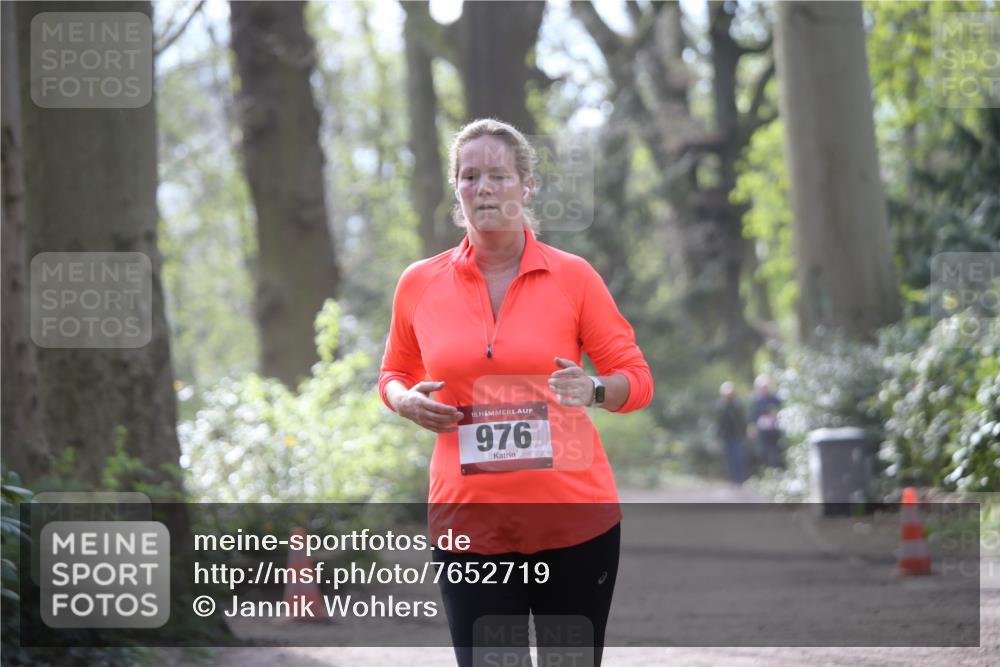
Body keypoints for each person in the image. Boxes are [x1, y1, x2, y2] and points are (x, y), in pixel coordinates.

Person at [378, 118, 654, 667]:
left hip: (573, 523)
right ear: (456, 189)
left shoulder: (574, 278)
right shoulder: (419, 284)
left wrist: (593, 389)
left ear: (526, 186)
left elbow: (637, 380)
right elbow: (391, 374)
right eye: (470, 176)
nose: (484, 188)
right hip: (468, 527)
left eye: (499, 176)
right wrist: (404, 401)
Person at [715, 381, 747, 484]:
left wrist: (744, 433)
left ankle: (740, 479)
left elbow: (742, 421)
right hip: (726, 436)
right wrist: (717, 435)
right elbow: (719, 422)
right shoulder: (721, 406)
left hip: (736, 435)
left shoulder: (737, 405)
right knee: (729, 458)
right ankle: (732, 479)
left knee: (737, 457)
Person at [748, 374, 783, 469]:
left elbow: (780, 411)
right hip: (762, 432)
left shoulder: (775, 399)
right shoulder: (756, 401)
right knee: (763, 452)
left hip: (774, 430)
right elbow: (753, 416)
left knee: (775, 451)